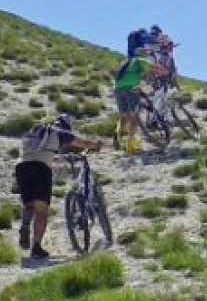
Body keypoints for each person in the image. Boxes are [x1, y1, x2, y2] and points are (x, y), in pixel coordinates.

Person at [14, 113, 101, 259]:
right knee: (41, 211)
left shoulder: (36, 132)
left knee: (29, 205)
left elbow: (41, 154)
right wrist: (96, 144)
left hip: (22, 168)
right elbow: (83, 143)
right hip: (41, 169)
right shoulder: (59, 132)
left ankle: (25, 224)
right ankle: (36, 248)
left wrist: (58, 159)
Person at [113, 51, 169, 150]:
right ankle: (130, 144)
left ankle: (117, 135)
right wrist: (166, 72)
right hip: (131, 88)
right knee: (135, 117)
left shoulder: (126, 62)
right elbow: (153, 68)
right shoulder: (140, 60)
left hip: (117, 89)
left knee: (124, 117)